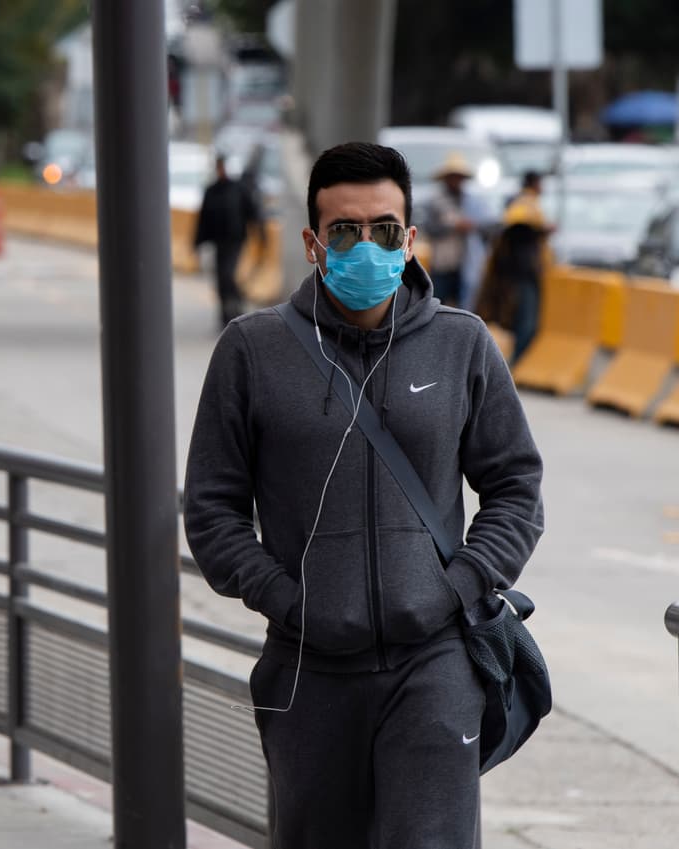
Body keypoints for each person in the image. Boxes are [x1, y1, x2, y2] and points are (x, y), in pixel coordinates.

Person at [183, 142, 544, 848]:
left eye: (384, 229)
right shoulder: (252, 350)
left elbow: (516, 487)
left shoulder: (462, 344)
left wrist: (457, 587)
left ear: (410, 241)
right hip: (306, 670)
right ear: (312, 244)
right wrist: (287, 601)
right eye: (344, 230)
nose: (366, 246)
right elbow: (210, 508)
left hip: (436, 663)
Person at [475, 194, 555, 363]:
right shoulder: (518, 233)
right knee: (525, 326)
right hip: (518, 284)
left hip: (515, 283)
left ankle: (515, 362)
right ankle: (516, 363)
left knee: (520, 325)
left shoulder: (509, 234)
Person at [194, 155, 262, 326]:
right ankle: (225, 313)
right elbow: (203, 218)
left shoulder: (237, 189)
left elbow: (251, 211)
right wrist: (197, 242)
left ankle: (237, 305)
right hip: (219, 241)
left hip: (235, 240)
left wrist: (260, 232)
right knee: (220, 279)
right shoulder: (212, 191)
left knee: (228, 274)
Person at [423, 151, 489, 308]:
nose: (456, 181)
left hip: (466, 264)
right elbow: (429, 228)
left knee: (464, 306)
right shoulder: (435, 202)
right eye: (453, 177)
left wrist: (471, 227)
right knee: (438, 304)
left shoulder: (471, 202)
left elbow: (486, 226)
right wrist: (453, 227)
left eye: (459, 177)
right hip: (442, 263)